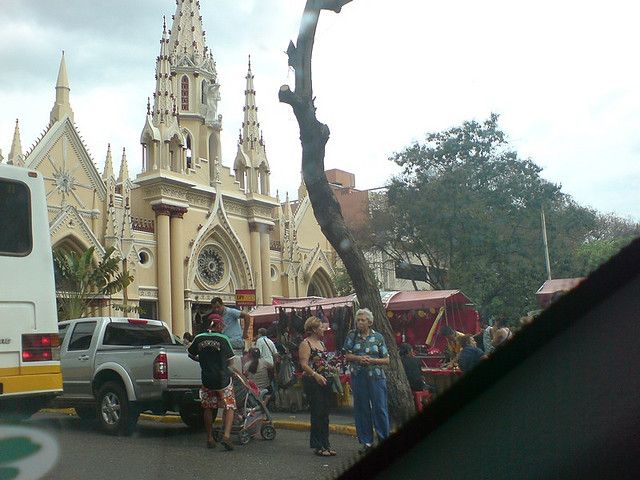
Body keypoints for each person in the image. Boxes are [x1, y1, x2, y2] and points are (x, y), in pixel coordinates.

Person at [188, 314, 237, 451]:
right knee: (229, 406)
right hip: (223, 380)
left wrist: (202, 361)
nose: (223, 327)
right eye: (222, 325)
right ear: (218, 325)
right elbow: (231, 362)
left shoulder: (199, 338)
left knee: (208, 407)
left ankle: (209, 437)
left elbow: (191, 354)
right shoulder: (223, 339)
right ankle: (226, 436)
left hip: (207, 379)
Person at [343, 308, 390, 450]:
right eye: (358, 320)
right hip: (359, 376)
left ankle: (383, 438)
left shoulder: (378, 337)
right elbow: (347, 355)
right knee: (362, 408)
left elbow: (386, 360)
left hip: (376, 376)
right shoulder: (352, 335)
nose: (359, 322)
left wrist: (372, 361)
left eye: (363, 320)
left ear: (369, 322)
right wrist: (359, 358)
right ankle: (366, 441)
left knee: (380, 407)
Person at [298, 316, 337, 457]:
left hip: (325, 380)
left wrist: (332, 369)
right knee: (317, 412)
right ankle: (318, 445)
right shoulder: (305, 344)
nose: (324, 329)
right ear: (314, 329)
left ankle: (326, 443)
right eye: (321, 327)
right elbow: (304, 364)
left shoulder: (322, 343)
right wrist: (316, 375)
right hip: (313, 381)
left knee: (325, 413)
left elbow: (324, 362)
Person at [210, 297, 250, 371]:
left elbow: (247, 316)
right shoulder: (218, 316)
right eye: (214, 308)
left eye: (218, 307)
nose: (216, 309)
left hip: (235, 342)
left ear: (223, 305)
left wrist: (245, 333)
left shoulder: (230, 312)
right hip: (227, 343)